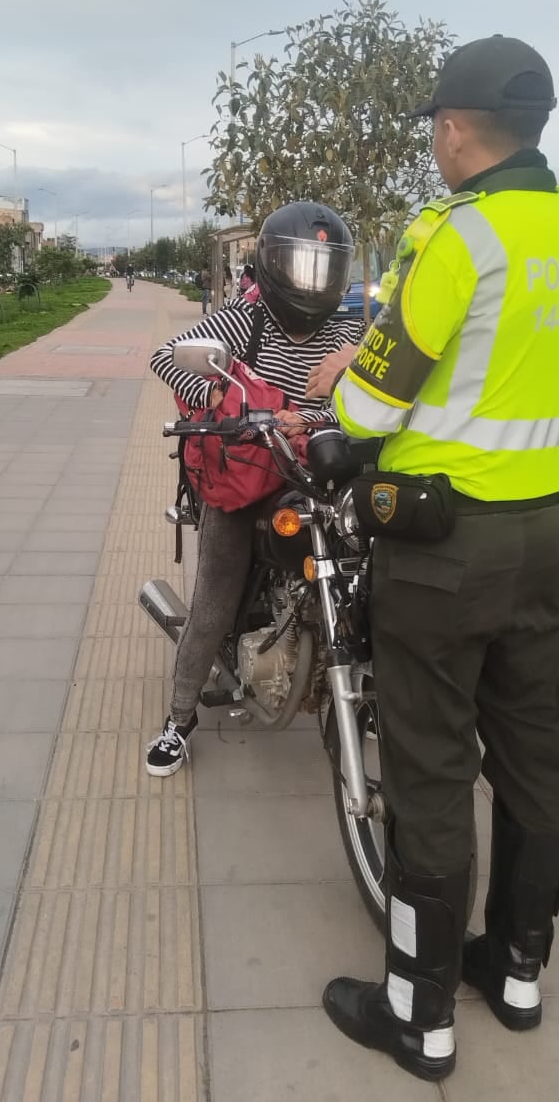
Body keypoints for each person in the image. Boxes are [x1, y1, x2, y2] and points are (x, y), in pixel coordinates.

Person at [317, 35, 559, 1082]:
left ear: (454, 131)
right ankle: (520, 968)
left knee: (432, 767)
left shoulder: (456, 237)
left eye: (435, 133)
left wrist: (337, 418)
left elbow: (369, 397)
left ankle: (420, 1014)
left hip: (441, 547)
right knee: (534, 751)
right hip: (542, 534)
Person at [146, 202, 365, 777]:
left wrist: (354, 355)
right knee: (216, 592)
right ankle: (180, 716)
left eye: (324, 268)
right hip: (250, 474)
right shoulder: (249, 319)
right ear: (272, 264)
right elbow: (167, 356)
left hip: (322, 473)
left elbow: (401, 358)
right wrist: (220, 400)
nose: (311, 282)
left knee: (369, 570)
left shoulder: (347, 328)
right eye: (301, 266)